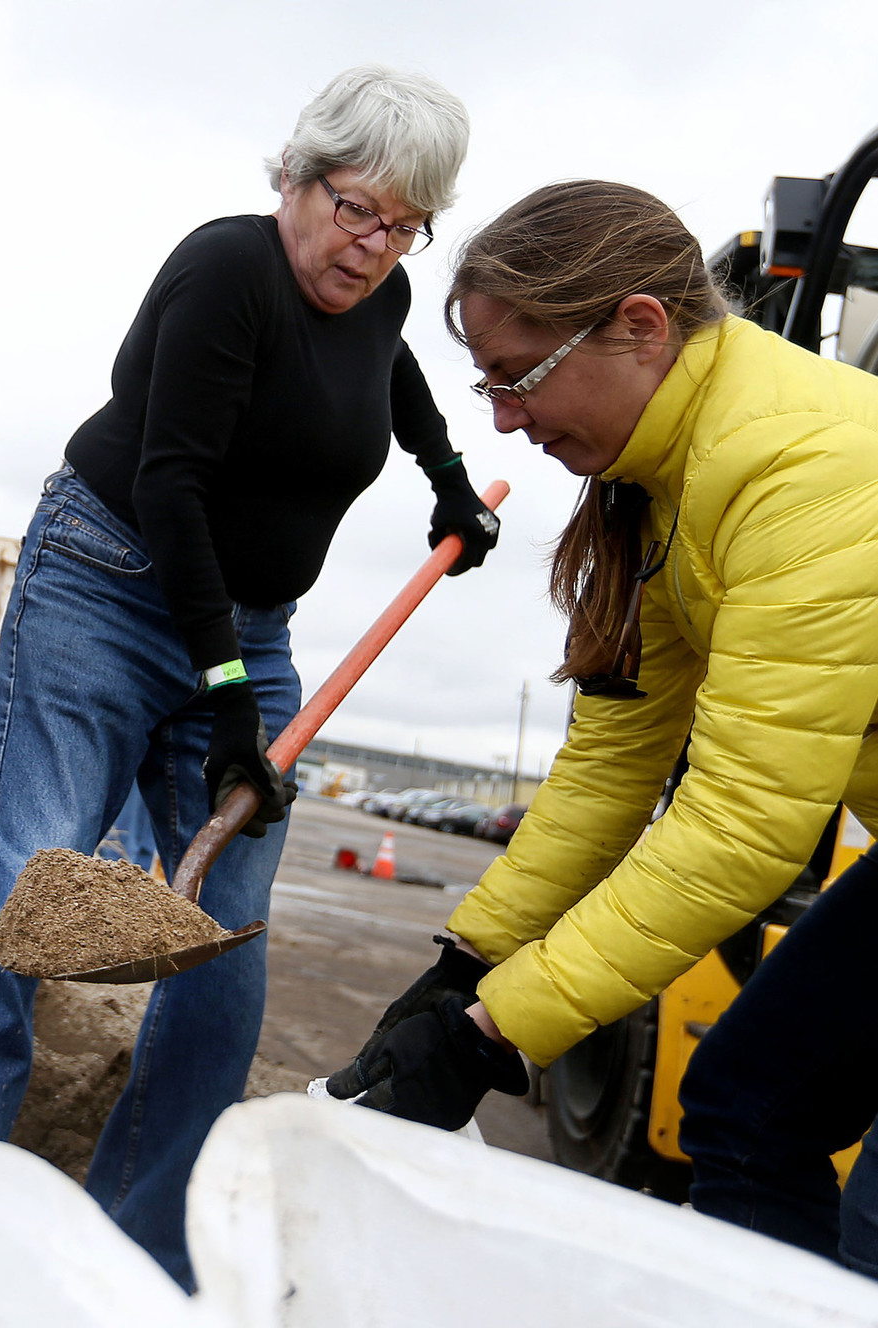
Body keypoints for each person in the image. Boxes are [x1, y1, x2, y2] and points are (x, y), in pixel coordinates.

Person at [0, 65, 498, 1291]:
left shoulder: (381, 294)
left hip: (251, 624)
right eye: (354, 208)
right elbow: (172, 482)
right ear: (296, 173)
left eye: (404, 224)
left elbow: (394, 373)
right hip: (107, 584)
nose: (373, 248)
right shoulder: (228, 270)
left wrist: (444, 475)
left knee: (226, 942)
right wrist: (224, 696)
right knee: (27, 883)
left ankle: (142, 1246)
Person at [326, 178, 878, 1280]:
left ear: (640, 325)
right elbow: (614, 764)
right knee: (746, 1103)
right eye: (486, 386)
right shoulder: (666, 481)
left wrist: (495, 1031)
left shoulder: (805, 465)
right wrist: (467, 963)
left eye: (518, 379)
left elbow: (738, 829)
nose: (503, 419)